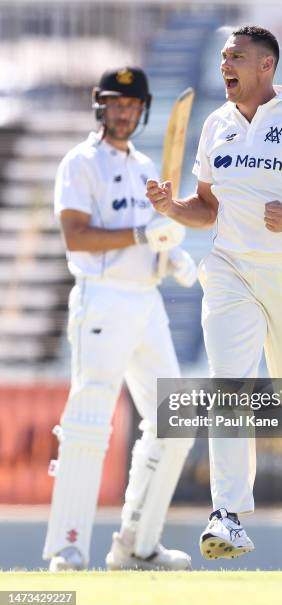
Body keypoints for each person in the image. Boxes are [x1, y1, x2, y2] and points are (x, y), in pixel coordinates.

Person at [146, 26, 282, 561]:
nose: (225, 66)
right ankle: (229, 514)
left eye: (236, 57)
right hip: (229, 268)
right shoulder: (216, 124)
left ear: (267, 66)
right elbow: (207, 208)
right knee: (229, 385)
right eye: (221, 58)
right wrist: (173, 209)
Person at [43, 66, 197, 571]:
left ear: (142, 109)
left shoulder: (145, 166)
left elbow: (154, 231)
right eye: (116, 104)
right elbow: (76, 236)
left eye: (132, 105)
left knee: (176, 421)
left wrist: (168, 254)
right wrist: (139, 237)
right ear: (100, 105)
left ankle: (137, 543)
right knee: (89, 422)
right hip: (101, 298)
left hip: (145, 301)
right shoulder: (80, 162)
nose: (124, 112)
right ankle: (67, 548)